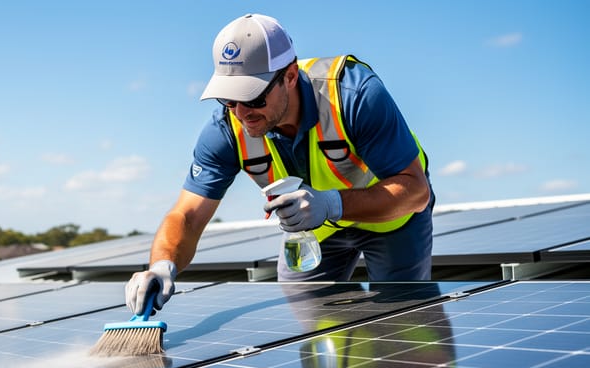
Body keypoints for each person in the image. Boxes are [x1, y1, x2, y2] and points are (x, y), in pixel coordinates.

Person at [126, 13, 434, 315]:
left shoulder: (354, 95)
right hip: (314, 230)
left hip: (392, 217)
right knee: (313, 330)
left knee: (403, 322)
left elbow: (415, 191)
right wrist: (162, 264)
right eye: (229, 99)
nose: (241, 113)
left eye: (253, 97)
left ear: (289, 76)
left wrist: (330, 203)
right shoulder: (225, 130)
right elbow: (188, 215)